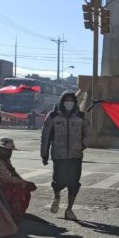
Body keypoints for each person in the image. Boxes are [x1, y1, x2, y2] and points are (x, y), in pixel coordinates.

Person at [41, 91, 88, 221]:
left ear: (75, 102)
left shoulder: (81, 116)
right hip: (59, 155)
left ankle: (69, 209)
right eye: (66, 100)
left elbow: (87, 133)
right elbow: (45, 136)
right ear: (62, 101)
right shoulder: (53, 116)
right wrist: (44, 155)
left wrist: (83, 145)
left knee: (74, 183)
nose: (69, 103)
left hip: (75, 155)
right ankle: (56, 197)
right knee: (58, 181)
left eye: (71, 100)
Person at [0, 137, 36, 219]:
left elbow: (13, 172)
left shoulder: (2, 158)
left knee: (23, 185)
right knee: (19, 188)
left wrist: (23, 181)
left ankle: (14, 212)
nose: (9, 153)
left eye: (10, 151)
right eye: (6, 150)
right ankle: (13, 213)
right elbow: (7, 178)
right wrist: (25, 183)